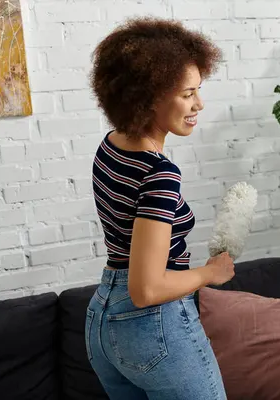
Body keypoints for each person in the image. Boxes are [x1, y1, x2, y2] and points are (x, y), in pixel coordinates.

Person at [85, 18, 234, 399]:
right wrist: (208, 273)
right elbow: (146, 288)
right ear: (149, 96)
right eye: (188, 93)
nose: (199, 103)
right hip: (151, 325)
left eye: (198, 90)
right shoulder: (160, 173)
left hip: (102, 319)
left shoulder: (110, 146)